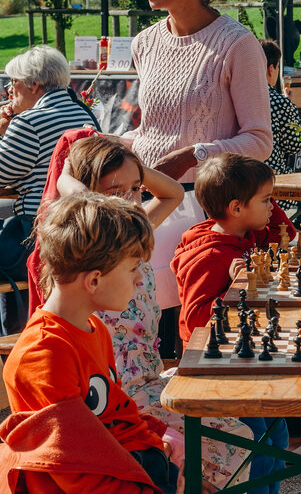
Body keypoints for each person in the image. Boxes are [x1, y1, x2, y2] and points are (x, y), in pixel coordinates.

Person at [25, 132, 256, 490]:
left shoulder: (132, 235)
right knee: (237, 436)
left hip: (145, 381)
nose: (132, 201)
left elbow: (174, 193)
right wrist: (68, 176)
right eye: (117, 193)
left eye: (136, 190)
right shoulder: (85, 253)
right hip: (126, 395)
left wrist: (132, 170)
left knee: (249, 422)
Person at [124, 0, 272, 333]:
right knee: (138, 333)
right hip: (148, 205)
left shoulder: (237, 44)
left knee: (186, 336)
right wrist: (111, 147)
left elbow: (259, 141)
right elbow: (153, 131)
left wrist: (195, 155)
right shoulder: (145, 43)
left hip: (200, 213)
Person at [1, 193, 172, 492]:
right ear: (94, 280)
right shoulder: (44, 354)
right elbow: (73, 467)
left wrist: (158, 454)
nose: (137, 280)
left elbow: (114, 415)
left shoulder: (94, 328)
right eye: (132, 269)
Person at [171, 153, 293, 487]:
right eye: (267, 200)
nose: (273, 206)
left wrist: (266, 201)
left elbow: (288, 234)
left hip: (247, 356)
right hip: (218, 366)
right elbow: (194, 319)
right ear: (237, 208)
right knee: (257, 447)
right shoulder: (210, 254)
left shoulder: (245, 232)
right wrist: (234, 290)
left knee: (277, 438)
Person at [0, 46, 98, 334]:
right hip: (78, 232)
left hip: (37, 235)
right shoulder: (82, 114)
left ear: (33, 84)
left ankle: (12, 337)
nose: (9, 89)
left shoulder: (29, 123)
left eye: (13, 82)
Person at [261, 38, 301, 212]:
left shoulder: (235, 97)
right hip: (274, 182)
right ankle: (299, 234)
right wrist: (290, 105)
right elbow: (294, 146)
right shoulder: (281, 103)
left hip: (240, 179)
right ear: (271, 69)